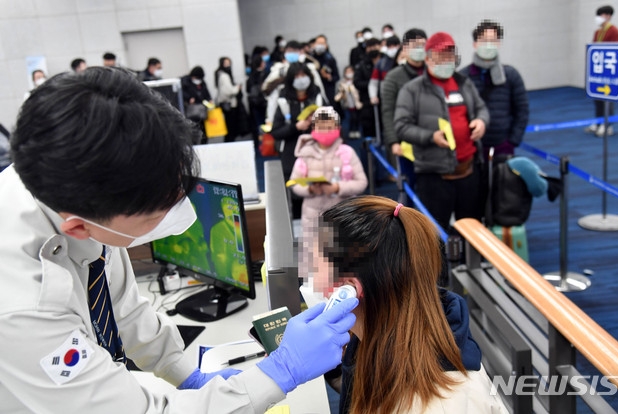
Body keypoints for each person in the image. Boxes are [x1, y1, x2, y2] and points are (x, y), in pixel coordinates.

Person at [1, 66, 358, 413]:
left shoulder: (72, 181)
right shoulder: (22, 306)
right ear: (78, 228)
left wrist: (187, 374)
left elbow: (123, 307)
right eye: (159, 206)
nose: (179, 205)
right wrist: (280, 373)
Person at [313, 195, 507, 413]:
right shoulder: (375, 336)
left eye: (316, 265)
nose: (311, 279)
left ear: (348, 290)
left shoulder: (439, 405)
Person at [395, 32, 489, 233]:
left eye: (450, 56)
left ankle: (470, 264)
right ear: (428, 59)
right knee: (436, 233)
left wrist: (481, 121)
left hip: (469, 170)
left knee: (472, 228)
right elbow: (402, 126)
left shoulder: (464, 83)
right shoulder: (412, 90)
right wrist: (430, 137)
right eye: (441, 56)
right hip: (434, 175)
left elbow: (481, 108)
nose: (447, 61)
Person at [288, 106, 368, 231]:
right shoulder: (305, 154)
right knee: (316, 249)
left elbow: (362, 183)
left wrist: (338, 188)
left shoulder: (347, 152)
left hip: (343, 216)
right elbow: (294, 183)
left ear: (338, 129)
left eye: (329, 128)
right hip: (313, 218)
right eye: (321, 128)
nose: (325, 131)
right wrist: (310, 189)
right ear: (313, 129)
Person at [459, 20, 529, 161]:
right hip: (472, 146)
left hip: (503, 145)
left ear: (499, 44)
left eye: (493, 40)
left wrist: (513, 141)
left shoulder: (511, 75)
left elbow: (522, 110)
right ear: (475, 44)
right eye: (484, 40)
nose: (488, 45)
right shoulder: (463, 77)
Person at [271, 63, 327, 218]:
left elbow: (334, 124)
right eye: (297, 77)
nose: (301, 80)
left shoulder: (318, 97)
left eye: (304, 76)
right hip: (291, 155)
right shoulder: (283, 101)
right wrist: (296, 127)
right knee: (297, 197)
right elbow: (275, 131)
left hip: (318, 152)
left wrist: (315, 125)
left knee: (321, 196)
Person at [381, 29, 428, 207]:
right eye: (415, 46)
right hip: (406, 143)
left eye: (423, 45)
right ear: (405, 49)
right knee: (409, 189)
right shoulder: (394, 77)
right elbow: (387, 110)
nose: (419, 49)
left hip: (432, 142)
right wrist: (393, 141)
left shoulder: (433, 72)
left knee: (432, 191)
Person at [262, 41, 326, 125]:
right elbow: (268, 90)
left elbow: (319, 88)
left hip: (308, 103)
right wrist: (270, 118)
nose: (291, 53)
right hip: (286, 106)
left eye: (294, 51)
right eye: (289, 51)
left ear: (301, 51)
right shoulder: (279, 70)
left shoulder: (309, 69)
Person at [585, 5, 618, 137]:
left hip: (608, 70)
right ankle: (598, 121)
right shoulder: (597, 32)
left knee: (608, 98)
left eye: (601, 15)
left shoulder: (613, 31)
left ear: (608, 16)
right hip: (597, 70)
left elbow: (614, 50)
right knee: (597, 97)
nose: (598, 18)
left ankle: (608, 124)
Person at [214, 57, 245, 142]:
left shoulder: (222, 75)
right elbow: (228, 91)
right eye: (226, 63)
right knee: (230, 127)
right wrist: (237, 88)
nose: (228, 65)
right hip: (229, 105)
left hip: (228, 104)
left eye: (229, 63)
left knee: (230, 127)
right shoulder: (224, 76)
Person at [368, 35, 401, 105]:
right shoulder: (381, 63)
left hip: (404, 97)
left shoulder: (406, 60)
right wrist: (373, 96)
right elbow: (373, 83)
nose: (392, 48)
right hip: (387, 99)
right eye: (389, 46)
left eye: (394, 46)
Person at [311, 35, 340, 111]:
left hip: (328, 89)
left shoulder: (330, 59)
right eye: (318, 43)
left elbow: (337, 77)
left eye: (322, 43)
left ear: (326, 45)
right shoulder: (310, 58)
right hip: (314, 90)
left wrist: (328, 77)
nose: (320, 45)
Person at [334, 65, 363, 139]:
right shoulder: (341, 83)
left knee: (357, 118)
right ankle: (350, 131)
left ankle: (357, 131)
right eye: (347, 72)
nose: (349, 73)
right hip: (347, 104)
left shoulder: (357, 81)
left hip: (356, 103)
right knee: (350, 118)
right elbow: (339, 95)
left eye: (351, 71)